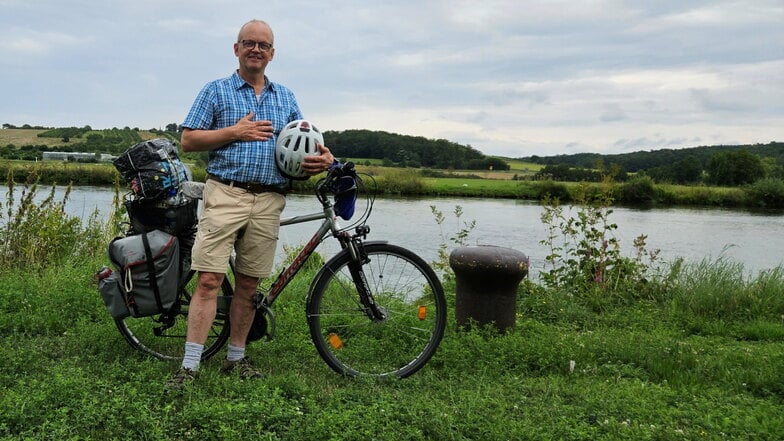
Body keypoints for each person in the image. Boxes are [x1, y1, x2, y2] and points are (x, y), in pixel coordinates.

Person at [167, 19, 334, 390]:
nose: (255, 49)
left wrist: (323, 160)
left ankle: (235, 359)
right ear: (236, 48)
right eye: (249, 43)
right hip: (226, 193)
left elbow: (304, 142)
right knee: (209, 280)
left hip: (270, 198)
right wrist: (235, 132)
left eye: (263, 45)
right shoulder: (217, 90)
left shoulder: (285, 98)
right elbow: (189, 141)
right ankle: (190, 366)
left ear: (272, 54)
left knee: (247, 286)